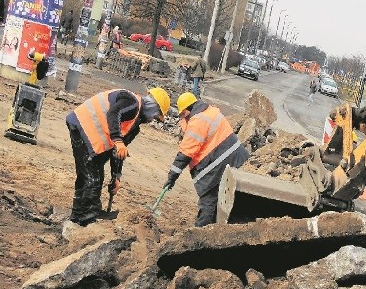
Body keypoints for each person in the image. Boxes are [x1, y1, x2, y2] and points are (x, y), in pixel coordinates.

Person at [66, 87, 170, 226]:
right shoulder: (132, 102)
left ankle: (78, 216)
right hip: (83, 125)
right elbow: (113, 113)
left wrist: (116, 176)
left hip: (91, 135)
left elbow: (118, 152)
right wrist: (118, 140)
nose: (153, 119)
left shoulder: (135, 125)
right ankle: (85, 221)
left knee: (91, 175)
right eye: (156, 115)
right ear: (153, 106)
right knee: (92, 178)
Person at [163, 92, 249, 226]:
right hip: (237, 157)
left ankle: (202, 230)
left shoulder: (197, 121)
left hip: (216, 164)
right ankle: (221, 224)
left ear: (186, 111)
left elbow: (186, 153)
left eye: (181, 114)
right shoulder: (211, 111)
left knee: (208, 198)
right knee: (229, 196)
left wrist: (172, 176)